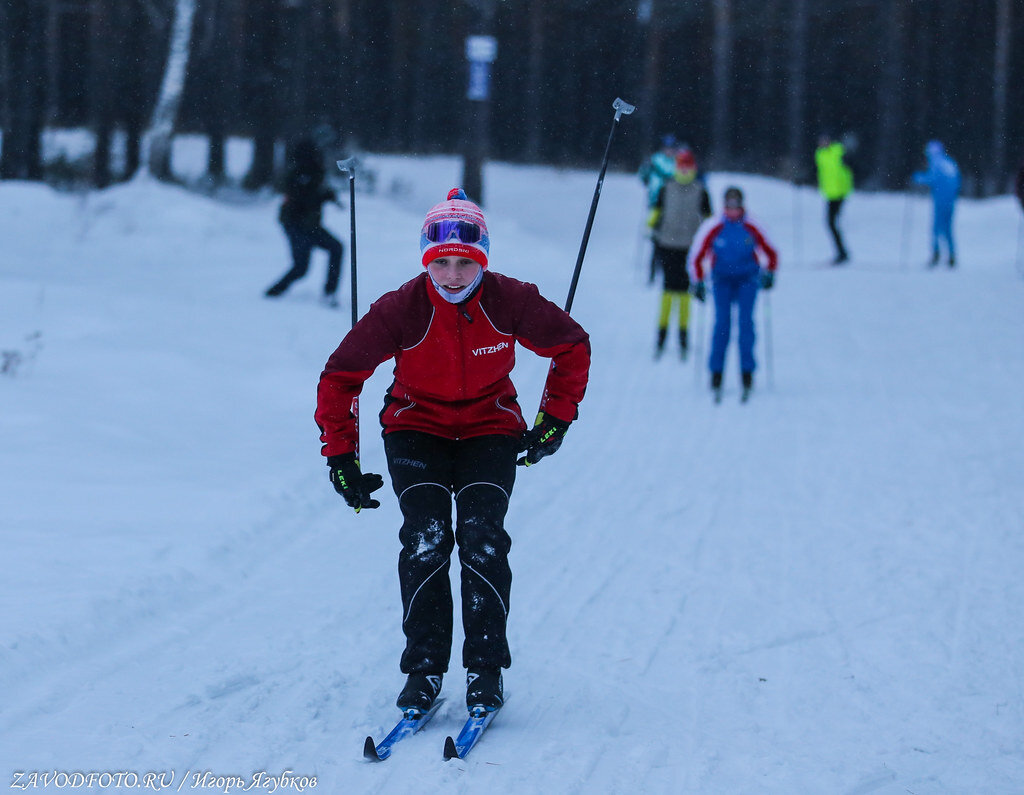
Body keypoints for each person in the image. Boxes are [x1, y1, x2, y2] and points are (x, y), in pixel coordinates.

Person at [314, 188, 591, 717]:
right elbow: (341, 376)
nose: (454, 275)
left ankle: (484, 668)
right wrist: (341, 457)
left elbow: (571, 345)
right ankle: (424, 669)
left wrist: (554, 418)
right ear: (426, 261)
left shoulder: (509, 299)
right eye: (441, 263)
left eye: (466, 263)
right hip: (416, 428)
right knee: (426, 538)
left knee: (482, 537)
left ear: (482, 259)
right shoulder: (402, 308)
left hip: (490, 428)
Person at [688, 186, 778, 403]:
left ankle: (747, 373)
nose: (733, 209)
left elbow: (771, 253)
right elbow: (697, 257)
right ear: (724, 205)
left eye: (736, 204)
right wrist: (698, 282)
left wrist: (769, 274)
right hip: (722, 280)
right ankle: (716, 373)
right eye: (729, 204)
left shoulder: (752, 225)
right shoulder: (714, 226)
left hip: (748, 279)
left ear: (742, 204)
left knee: (746, 325)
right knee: (722, 325)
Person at [647, 147, 712, 359]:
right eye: (681, 167)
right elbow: (656, 212)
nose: (684, 171)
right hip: (667, 244)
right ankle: (661, 335)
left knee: (684, 292)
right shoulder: (667, 188)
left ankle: (683, 335)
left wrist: (709, 242)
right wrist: (651, 227)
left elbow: (709, 219)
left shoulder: (701, 190)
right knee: (667, 290)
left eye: (688, 167)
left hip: (690, 248)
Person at [265, 138, 344, 304]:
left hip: (311, 226)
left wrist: (329, 196)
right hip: (296, 226)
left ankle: (329, 293)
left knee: (336, 248)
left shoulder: (314, 172)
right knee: (301, 267)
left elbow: (315, 194)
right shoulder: (298, 174)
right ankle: (273, 293)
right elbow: (302, 199)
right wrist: (324, 196)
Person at [639, 134, 682, 283]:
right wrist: (645, 171)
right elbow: (643, 177)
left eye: (672, 147)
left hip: (672, 205)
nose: (669, 150)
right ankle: (652, 272)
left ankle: (666, 270)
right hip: (656, 203)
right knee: (655, 238)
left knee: (670, 239)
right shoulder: (655, 160)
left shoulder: (679, 161)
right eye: (667, 147)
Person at [912, 140, 961, 267]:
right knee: (948, 229)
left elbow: (932, 178)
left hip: (940, 201)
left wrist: (917, 178)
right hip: (951, 201)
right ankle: (952, 255)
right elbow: (957, 181)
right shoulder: (949, 162)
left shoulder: (936, 162)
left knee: (936, 228)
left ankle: (936, 254)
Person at [814, 134, 853, 264]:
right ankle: (842, 252)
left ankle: (842, 252)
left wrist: (849, 164)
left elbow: (854, 165)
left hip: (841, 192)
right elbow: (817, 171)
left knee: (832, 222)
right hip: (830, 193)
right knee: (831, 223)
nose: (822, 142)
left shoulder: (839, 151)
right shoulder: (820, 154)